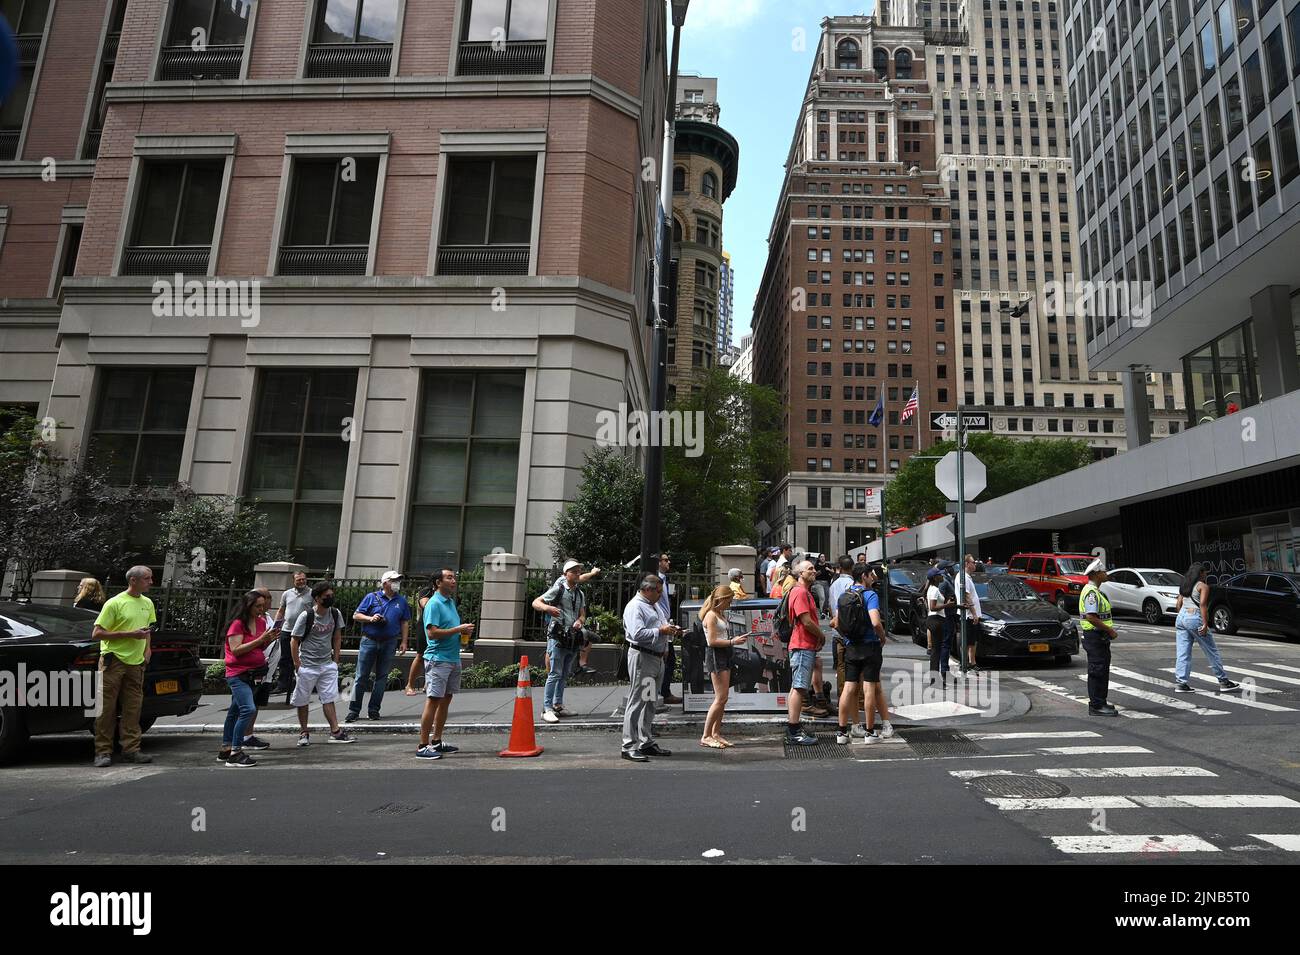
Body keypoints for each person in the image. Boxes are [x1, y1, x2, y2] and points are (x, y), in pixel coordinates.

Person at [91, 566, 156, 768]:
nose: (151, 582)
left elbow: (147, 631)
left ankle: (131, 750)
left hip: (136, 663)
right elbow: (97, 633)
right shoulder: (115, 603)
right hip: (114, 660)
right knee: (106, 709)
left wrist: (147, 651)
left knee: (133, 709)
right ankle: (103, 751)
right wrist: (129, 634)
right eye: (147, 578)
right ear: (133, 581)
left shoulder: (147, 603)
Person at [833, 563, 894, 744]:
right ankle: (870, 732)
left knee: (849, 688)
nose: (873, 576)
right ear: (865, 576)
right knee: (869, 688)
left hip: (851, 646)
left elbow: (836, 623)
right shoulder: (870, 595)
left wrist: (847, 638)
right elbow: (875, 621)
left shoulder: (844, 595)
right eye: (871, 574)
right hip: (870, 646)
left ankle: (842, 732)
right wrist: (882, 637)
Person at [416, 569, 473, 759]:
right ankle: (422, 745)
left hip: (452, 657)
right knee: (433, 700)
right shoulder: (434, 603)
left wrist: (462, 633)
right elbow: (432, 633)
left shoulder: (449, 602)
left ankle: (437, 741)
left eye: (454, 577)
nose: (454, 580)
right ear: (438, 583)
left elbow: (449, 629)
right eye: (449, 577)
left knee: (446, 700)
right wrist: (458, 629)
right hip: (438, 658)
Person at [289, 581, 354, 746]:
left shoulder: (334, 613)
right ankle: (304, 732)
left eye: (331, 595)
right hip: (308, 665)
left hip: (327, 664)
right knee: (303, 700)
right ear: (317, 598)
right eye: (327, 596)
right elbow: (294, 640)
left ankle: (335, 731)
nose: (330, 598)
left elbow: (337, 636)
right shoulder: (307, 616)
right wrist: (298, 664)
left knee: (328, 698)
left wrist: (336, 660)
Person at [620, 575, 677, 762]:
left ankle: (645, 741)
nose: (661, 595)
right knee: (637, 701)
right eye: (658, 591)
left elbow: (661, 625)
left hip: (656, 658)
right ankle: (628, 745)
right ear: (647, 589)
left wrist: (666, 641)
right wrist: (660, 632)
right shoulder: (636, 606)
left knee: (650, 700)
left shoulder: (654, 605)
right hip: (643, 657)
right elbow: (637, 633)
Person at [220, 590, 278, 766]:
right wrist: (261, 638)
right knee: (248, 709)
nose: (261, 609)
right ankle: (235, 752)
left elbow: (258, 647)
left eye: (263, 605)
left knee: (235, 711)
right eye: (258, 606)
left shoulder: (260, 622)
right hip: (237, 674)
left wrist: (268, 639)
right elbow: (236, 650)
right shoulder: (237, 624)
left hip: (254, 673)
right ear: (248, 606)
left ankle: (225, 749)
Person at [347, 570, 411, 722]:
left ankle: (374, 710)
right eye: (394, 580)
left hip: (389, 641)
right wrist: (371, 618)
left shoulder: (401, 601)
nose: (397, 583)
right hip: (369, 640)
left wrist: (404, 641)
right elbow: (356, 615)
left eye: (398, 581)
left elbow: (405, 622)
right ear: (385, 583)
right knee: (361, 676)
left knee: (382, 677)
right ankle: (354, 710)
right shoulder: (371, 597)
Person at [534, 559, 588, 723]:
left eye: (579, 571)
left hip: (571, 637)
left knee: (564, 673)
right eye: (574, 571)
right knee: (555, 673)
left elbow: (583, 614)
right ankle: (546, 708)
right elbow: (536, 602)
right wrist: (547, 608)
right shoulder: (558, 588)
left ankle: (558, 705)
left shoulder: (580, 593)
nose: (578, 573)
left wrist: (580, 621)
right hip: (557, 636)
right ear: (565, 574)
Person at [1173, 563, 1241, 693]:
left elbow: (1178, 604)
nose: (1206, 575)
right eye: (1205, 573)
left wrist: (1183, 616)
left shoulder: (1184, 585)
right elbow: (1203, 605)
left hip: (1181, 617)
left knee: (1183, 653)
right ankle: (1224, 682)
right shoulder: (1203, 586)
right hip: (1194, 617)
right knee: (1211, 651)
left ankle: (1181, 683)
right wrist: (1204, 624)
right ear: (1200, 573)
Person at [700, 584, 747, 748]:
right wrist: (733, 641)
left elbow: (721, 636)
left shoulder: (719, 613)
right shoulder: (711, 615)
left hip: (724, 653)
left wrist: (733, 640)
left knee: (723, 698)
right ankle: (706, 735)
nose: (730, 604)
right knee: (720, 698)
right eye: (729, 600)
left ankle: (715, 733)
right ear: (722, 599)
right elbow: (712, 641)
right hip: (716, 655)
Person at [785, 560, 824, 745]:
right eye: (810, 569)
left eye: (813, 568)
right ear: (800, 573)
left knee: (797, 687)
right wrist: (821, 635)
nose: (814, 571)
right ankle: (793, 731)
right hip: (802, 645)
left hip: (803, 645)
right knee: (799, 688)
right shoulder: (800, 592)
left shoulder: (802, 591)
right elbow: (806, 621)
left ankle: (794, 727)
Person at [1080, 559, 1119, 716]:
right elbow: (1091, 617)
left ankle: (1100, 702)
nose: (1106, 574)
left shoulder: (1096, 591)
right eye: (1103, 571)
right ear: (1096, 574)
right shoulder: (1091, 593)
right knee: (1097, 671)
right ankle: (1096, 705)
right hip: (1095, 637)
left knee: (1102, 670)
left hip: (1099, 637)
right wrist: (1110, 630)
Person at [274, 571, 312, 694]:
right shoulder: (287, 594)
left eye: (303, 579)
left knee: (302, 658)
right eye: (298, 580)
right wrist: (276, 626)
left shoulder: (312, 594)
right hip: (287, 629)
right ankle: (283, 685)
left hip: (303, 632)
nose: (301, 582)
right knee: (285, 658)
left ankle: (301, 684)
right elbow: (281, 610)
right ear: (293, 581)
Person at [656, 553, 682, 705]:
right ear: (658, 562)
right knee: (668, 658)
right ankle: (664, 692)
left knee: (668, 658)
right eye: (665, 560)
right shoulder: (657, 580)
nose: (668, 562)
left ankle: (663, 691)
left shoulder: (664, 580)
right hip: (661, 624)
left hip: (665, 622)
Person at [406, 573, 437, 695]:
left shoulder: (447, 595)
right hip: (425, 625)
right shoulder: (426, 591)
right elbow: (425, 604)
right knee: (421, 655)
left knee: (435, 655)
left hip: (440, 627)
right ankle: (410, 685)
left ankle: (427, 684)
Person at [954, 554, 982, 673]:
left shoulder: (966, 577)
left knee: (972, 640)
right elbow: (966, 596)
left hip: (970, 614)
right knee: (966, 640)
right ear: (966, 564)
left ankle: (972, 662)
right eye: (973, 562)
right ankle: (964, 663)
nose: (975, 564)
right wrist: (974, 613)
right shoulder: (963, 577)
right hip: (968, 614)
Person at [925, 566, 946, 686]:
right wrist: (947, 605)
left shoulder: (932, 589)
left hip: (934, 620)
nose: (942, 576)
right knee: (936, 651)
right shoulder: (934, 590)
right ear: (935, 578)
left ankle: (934, 679)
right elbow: (933, 607)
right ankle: (935, 679)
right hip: (936, 620)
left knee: (935, 651)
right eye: (940, 575)